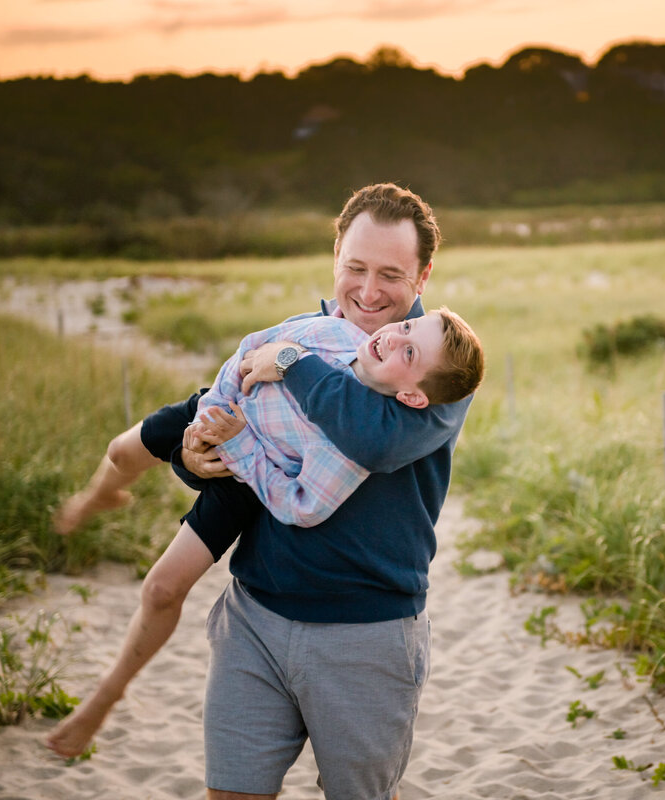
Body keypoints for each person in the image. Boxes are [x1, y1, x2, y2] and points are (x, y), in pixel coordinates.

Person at [46, 306, 483, 759]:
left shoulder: (367, 433)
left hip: (251, 466)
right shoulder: (332, 331)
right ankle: (98, 497)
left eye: (409, 349)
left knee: (161, 587)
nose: (393, 335)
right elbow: (251, 348)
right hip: (221, 406)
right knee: (120, 451)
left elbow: (303, 503)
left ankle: (105, 698)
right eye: (406, 328)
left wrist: (235, 447)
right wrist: (206, 421)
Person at [174, 184, 472, 800]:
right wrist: (194, 452)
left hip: (365, 634)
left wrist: (290, 362)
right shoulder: (300, 334)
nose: (368, 291)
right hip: (254, 617)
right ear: (336, 254)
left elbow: (372, 438)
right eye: (355, 267)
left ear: (423, 275)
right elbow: (229, 413)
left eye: (391, 274)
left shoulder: (438, 367)